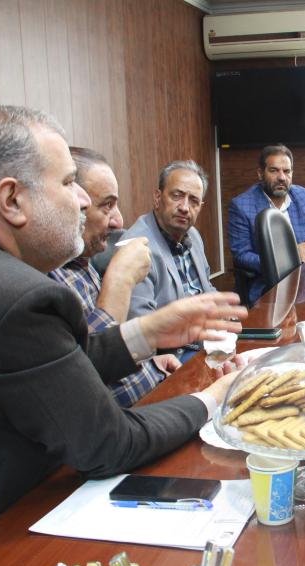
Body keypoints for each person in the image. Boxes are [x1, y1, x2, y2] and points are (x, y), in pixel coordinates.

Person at [0, 105, 246, 566]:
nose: (82, 200)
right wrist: (217, 397)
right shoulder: (9, 296)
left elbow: (55, 368)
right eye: (70, 182)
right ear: (12, 200)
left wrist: (148, 332)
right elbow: (110, 444)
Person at [49, 147, 180, 406]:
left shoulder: (83, 262)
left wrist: (151, 365)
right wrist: (120, 279)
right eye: (106, 205)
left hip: (157, 388)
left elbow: (106, 347)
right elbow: (81, 378)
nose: (118, 221)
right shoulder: (44, 279)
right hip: (131, 417)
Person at [228, 144, 305, 305]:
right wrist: (280, 263)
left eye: (287, 171)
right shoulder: (241, 206)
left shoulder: (304, 197)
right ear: (260, 173)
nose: (282, 177)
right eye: (274, 170)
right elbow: (241, 255)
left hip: (303, 284)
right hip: (265, 287)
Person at [123, 160, 217, 319]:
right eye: (177, 196)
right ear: (157, 198)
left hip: (207, 328)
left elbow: (205, 287)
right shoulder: (136, 247)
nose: (185, 207)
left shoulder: (193, 235)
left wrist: (224, 311)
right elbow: (140, 321)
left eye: (194, 201)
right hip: (173, 334)